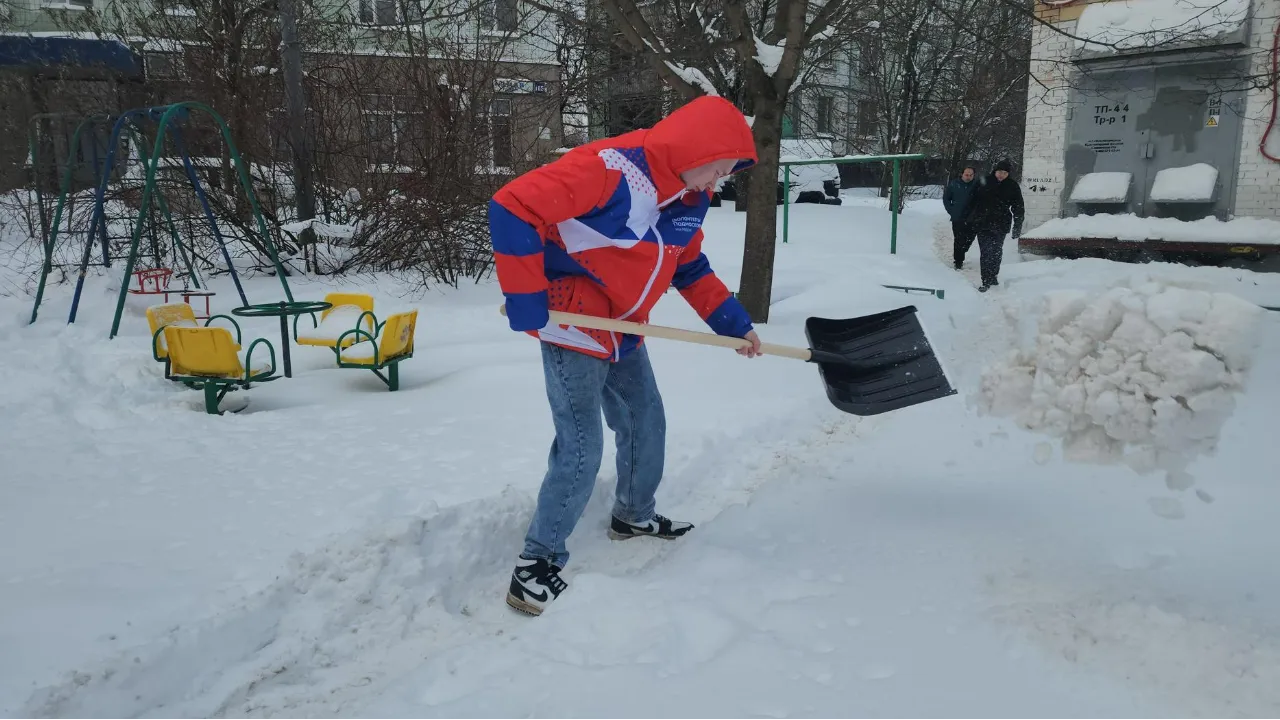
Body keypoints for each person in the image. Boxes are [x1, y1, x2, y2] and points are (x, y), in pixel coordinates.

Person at [488, 95, 762, 616]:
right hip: (573, 321)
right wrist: (528, 302)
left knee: (645, 420)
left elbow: (689, 266)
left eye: (725, 176)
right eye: (718, 170)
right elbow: (513, 205)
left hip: (623, 327)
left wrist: (733, 324)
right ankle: (536, 565)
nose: (716, 184)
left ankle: (633, 515)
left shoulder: (686, 198)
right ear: (696, 149)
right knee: (581, 442)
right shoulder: (611, 171)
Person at [962, 159, 1025, 292]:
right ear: (995, 171)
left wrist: (1017, 226)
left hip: (1001, 223)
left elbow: (1018, 206)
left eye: (1004, 173)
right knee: (985, 252)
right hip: (983, 222)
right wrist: (967, 218)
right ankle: (986, 280)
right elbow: (971, 200)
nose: (1001, 175)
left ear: (1008, 174)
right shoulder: (984, 181)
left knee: (996, 251)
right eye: (999, 172)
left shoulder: (1012, 186)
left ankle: (993, 275)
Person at [942, 165, 977, 270]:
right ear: (962, 174)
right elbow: (946, 199)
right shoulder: (954, 184)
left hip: (973, 217)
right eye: (966, 174)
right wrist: (952, 211)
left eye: (971, 175)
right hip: (958, 217)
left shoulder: (977, 185)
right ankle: (958, 261)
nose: (968, 177)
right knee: (959, 239)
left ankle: (963, 250)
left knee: (970, 238)